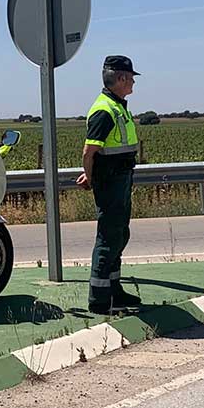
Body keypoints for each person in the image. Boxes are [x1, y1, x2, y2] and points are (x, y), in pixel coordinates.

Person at [76, 55, 142, 314]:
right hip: (111, 180)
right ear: (122, 78)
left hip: (121, 178)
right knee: (108, 236)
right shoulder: (105, 109)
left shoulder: (117, 105)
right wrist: (90, 177)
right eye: (131, 78)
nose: (134, 83)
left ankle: (114, 291)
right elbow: (88, 152)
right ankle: (100, 300)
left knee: (119, 234)